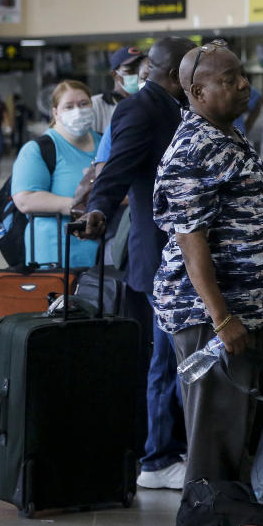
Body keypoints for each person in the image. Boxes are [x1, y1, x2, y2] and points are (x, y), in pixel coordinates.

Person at [152, 41, 263, 483]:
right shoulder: (192, 149)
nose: (244, 85)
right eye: (229, 79)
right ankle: (208, 519)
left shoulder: (226, 135)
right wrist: (221, 318)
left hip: (256, 315)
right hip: (213, 322)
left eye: (242, 75)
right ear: (197, 91)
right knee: (217, 444)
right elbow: (191, 242)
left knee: (253, 439)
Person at [78, 36, 197, 490]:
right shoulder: (140, 109)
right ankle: (156, 458)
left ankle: (176, 447)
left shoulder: (173, 105)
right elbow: (116, 171)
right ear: (173, 73)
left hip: (181, 256)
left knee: (178, 356)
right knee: (164, 360)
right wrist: (101, 208)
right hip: (159, 255)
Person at [11, 81, 100, 267]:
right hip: (54, 256)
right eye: (69, 106)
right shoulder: (40, 149)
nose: (78, 110)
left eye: (84, 104)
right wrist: (81, 208)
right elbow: (25, 199)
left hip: (103, 255)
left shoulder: (106, 143)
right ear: (56, 113)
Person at [91, 46, 144, 134]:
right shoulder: (96, 104)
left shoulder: (149, 102)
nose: (138, 74)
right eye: (130, 70)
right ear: (114, 74)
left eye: (141, 69)